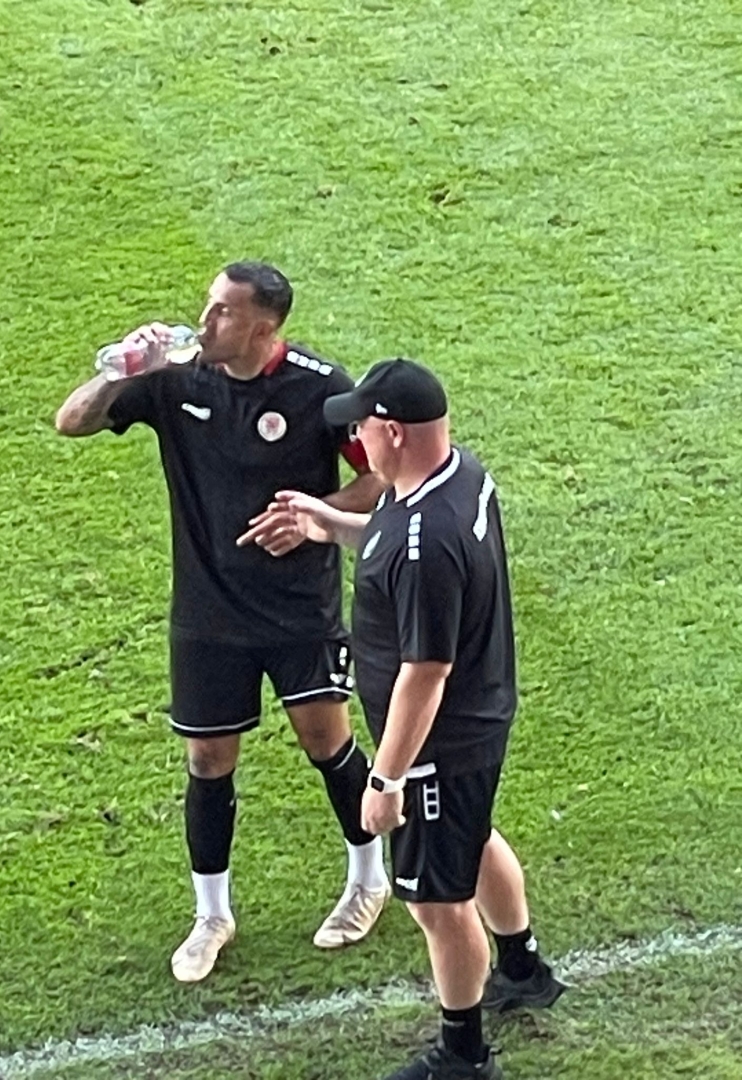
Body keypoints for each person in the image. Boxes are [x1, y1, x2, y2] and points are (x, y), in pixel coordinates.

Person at [54, 262, 390, 983]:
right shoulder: (176, 377)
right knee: (208, 760)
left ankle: (368, 880)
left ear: (263, 328)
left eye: (222, 313)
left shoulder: (319, 387)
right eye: (208, 306)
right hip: (207, 611)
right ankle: (212, 916)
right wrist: (120, 371)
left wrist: (317, 518)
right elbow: (71, 422)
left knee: (325, 741)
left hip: (298, 607)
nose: (204, 322)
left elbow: (380, 475)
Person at [268, 359, 564, 1080]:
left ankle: (464, 1055)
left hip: (440, 741)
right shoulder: (460, 475)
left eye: (362, 428)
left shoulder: (424, 544)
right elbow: (395, 534)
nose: (356, 441)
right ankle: (522, 968)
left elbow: (425, 672)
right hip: (481, 715)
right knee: (472, 836)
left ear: (394, 433)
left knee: (438, 902)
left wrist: (387, 778)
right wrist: (334, 524)